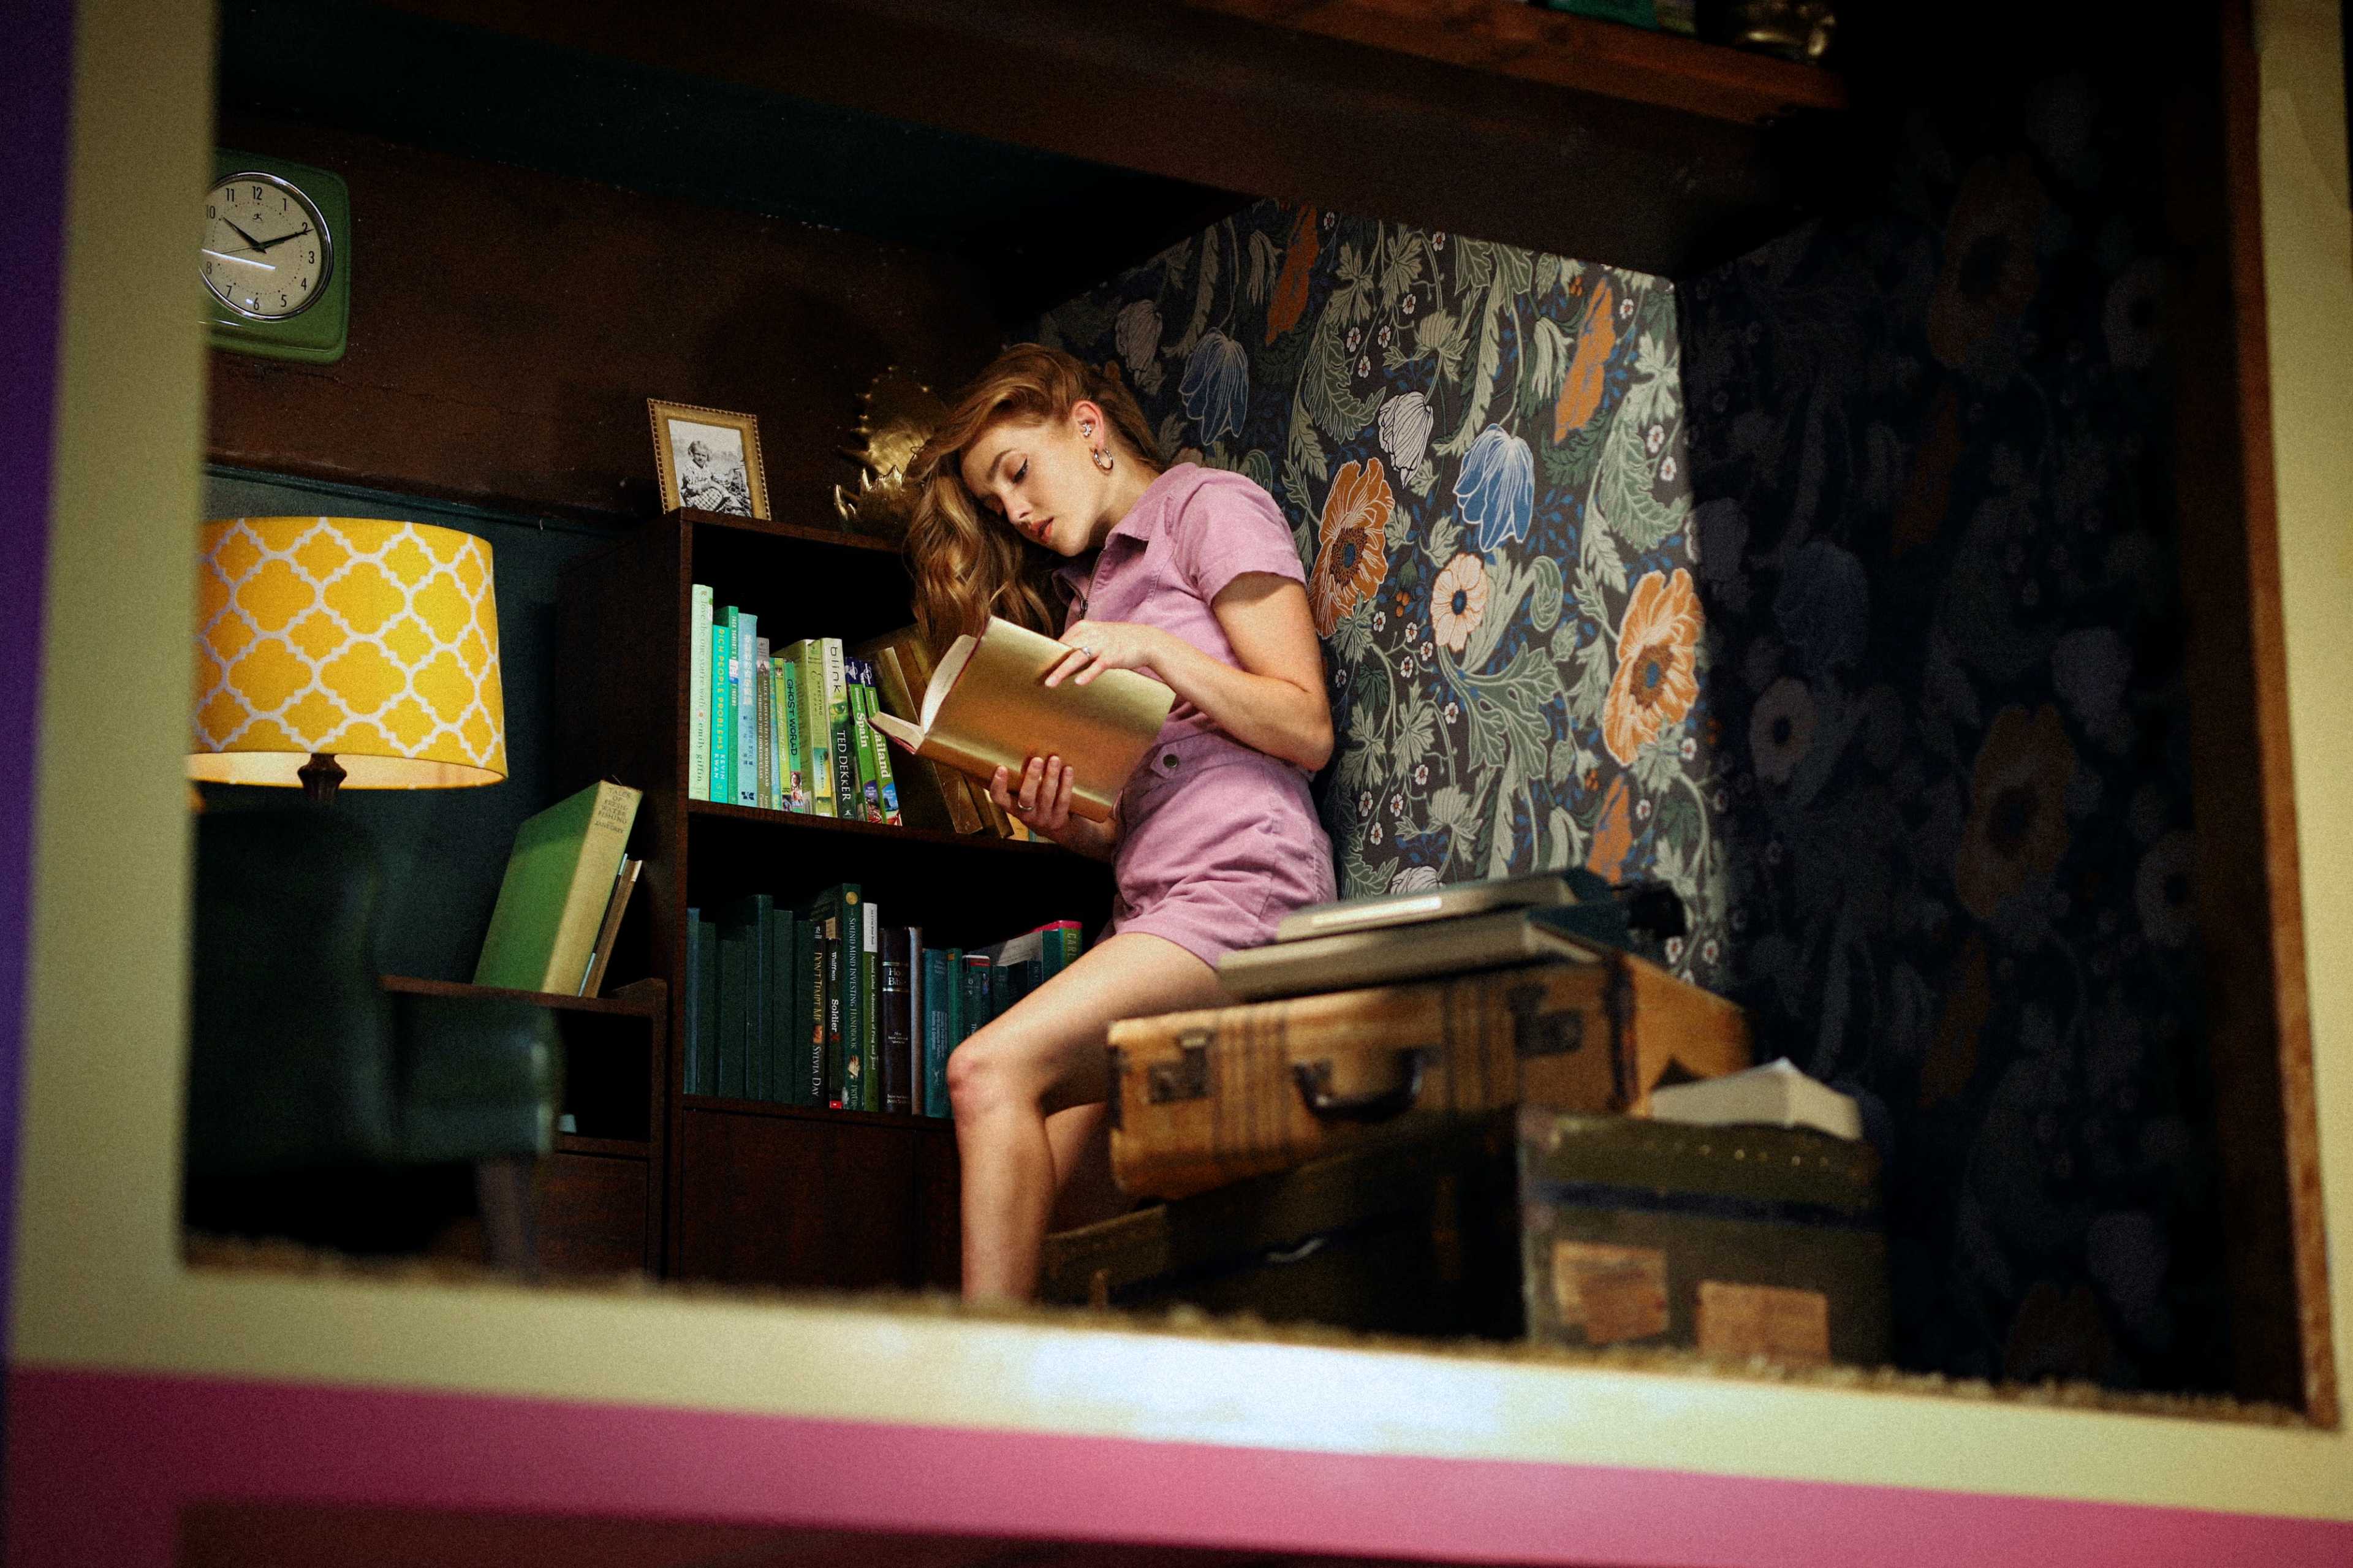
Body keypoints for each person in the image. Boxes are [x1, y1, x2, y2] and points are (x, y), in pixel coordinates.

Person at [904, 344, 1337, 1301]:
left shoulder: (1207, 510)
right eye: (993, 503)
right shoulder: (1081, 601)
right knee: (1057, 1218)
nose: (1014, 513)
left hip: (1249, 888)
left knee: (984, 1072)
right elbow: (1131, 818)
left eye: (1016, 472)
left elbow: (1305, 726)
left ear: (1088, 427)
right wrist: (1064, 820)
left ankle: (971, 1399)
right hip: (1151, 912)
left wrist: (1150, 650)